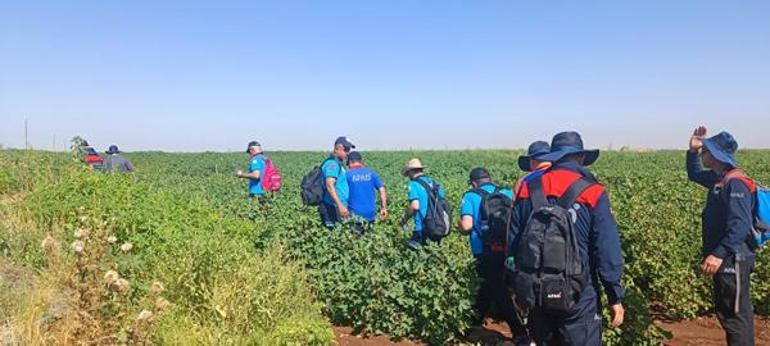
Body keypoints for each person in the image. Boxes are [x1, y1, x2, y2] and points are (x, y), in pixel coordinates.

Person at [506, 131, 624, 345]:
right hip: (579, 292)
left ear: (553, 157)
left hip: (537, 290)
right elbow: (606, 249)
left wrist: (517, 287)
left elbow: (514, 244)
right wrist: (614, 294)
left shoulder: (527, 189)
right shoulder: (593, 191)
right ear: (580, 157)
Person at [687, 126, 756, 346]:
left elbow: (740, 225)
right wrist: (692, 151)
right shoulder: (720, 179)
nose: (703, 154)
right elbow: (694, 174)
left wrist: (718, 254)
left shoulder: (735, 183)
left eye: (705, 151)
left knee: (735, 315)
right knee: (729, 312)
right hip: (727, 258)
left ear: (716, 156)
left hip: (732, 259)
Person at [458, 167, 526, 340]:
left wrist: (460, 226)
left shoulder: (470, 196)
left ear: (473, 182)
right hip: (509, 248)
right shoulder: (506, 192)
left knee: (498, 290)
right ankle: (475, 321)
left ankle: (519, 332)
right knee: (491, 285)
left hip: (485, 251)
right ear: (489, 179)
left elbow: (466, 226)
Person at [399, 158, 445, 249]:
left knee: (415, 255)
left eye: (408, 173)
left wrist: (404, 219)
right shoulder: (435, 183)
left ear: (411, 171)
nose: (408, 176)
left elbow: (415, 206)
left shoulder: (414, 184)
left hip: (422, 228)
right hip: (438, 226)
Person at [345, 151, 388, 232]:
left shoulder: (347, 175)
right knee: (369, 239)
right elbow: (382, 190)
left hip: (355, 216)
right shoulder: (371, 173)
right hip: (370, 215)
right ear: (361, 161)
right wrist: (383, 208)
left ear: (350, 162)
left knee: (355, 241)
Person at [319, 136, 354, 229]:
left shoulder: (338, 164)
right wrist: (340, 205)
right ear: (336, 149)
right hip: (332, 207)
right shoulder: (332, 164)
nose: (348, 153)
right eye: (345, 149)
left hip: (337, 207)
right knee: (333, 237)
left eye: (349, 150)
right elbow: (330, 185)